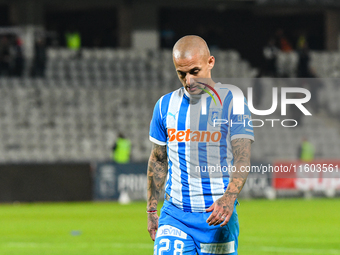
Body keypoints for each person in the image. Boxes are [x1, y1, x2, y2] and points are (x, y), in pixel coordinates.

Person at [147, 35, 254, 255]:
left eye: (194, 71)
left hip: (217, 217)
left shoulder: (232, 101)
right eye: (181, 73)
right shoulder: (164, 106)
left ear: (210, 62)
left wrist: (229, 198)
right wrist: (151, 208)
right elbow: (158, 159)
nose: (189, 81)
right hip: (175, 215)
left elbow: (242, 157)